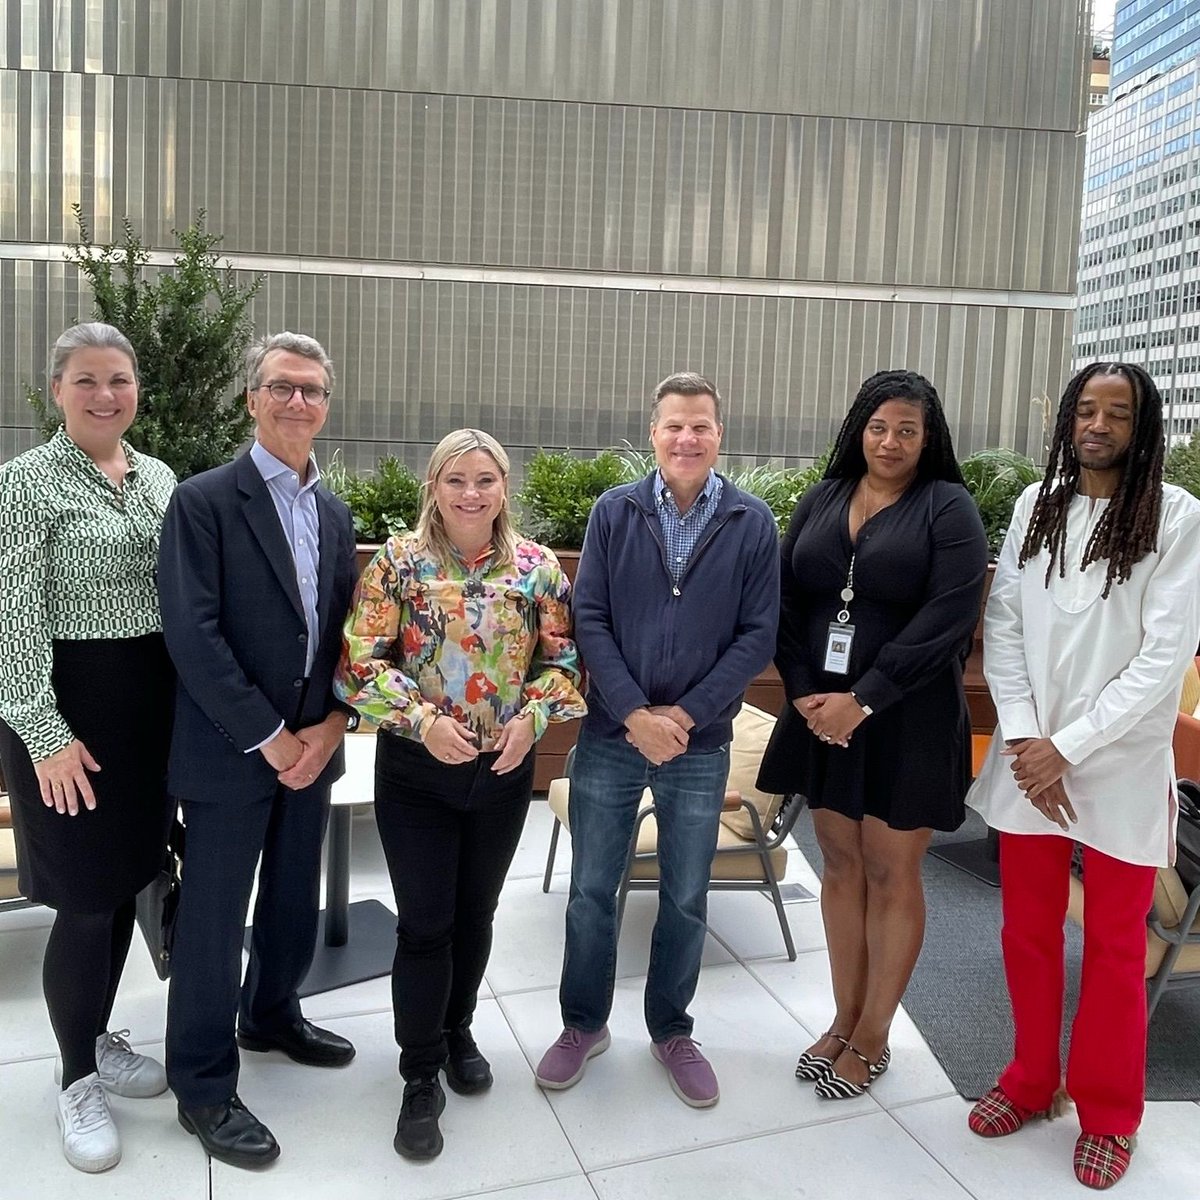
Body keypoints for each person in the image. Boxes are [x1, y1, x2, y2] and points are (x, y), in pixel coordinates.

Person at [965, 362, 1200, 1190]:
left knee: (1111, 947)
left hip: (1119, 769)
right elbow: (1006, 626)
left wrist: (1070, 746)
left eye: (1119, 412)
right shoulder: (1037, 507)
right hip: (1033, 769)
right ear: (1068, 420)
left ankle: (1108, 1111)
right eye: (1086, 410)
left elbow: (1163, 658)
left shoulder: (1177, 518)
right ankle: (1031, 1079)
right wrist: (1030, 742)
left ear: (1143, 426)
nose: (1099, 424)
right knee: (1025, 932)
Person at [534, 371, 780, 1109]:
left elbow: (757, 634)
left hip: (699, 748)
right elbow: (592, 621)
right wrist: (638, 712)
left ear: (718, 435)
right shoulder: (616, 513)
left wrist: (688, 717)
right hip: (613, 735)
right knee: (590, 892)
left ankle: (672, 1030)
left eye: (700, 425)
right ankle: (583, 1024)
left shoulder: (751, 521)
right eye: (674, 425)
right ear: (653, 433)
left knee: (684, 895)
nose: (687, 438)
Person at [338, 428, 585, 1160]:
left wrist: (532, 721)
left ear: (504, 486)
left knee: (477, 913)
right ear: (434, 489)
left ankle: (458, 1029)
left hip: (503, 775)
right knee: (425, 925)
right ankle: (419, 1074)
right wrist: (419, 718)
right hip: (417, 775)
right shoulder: (399, 564)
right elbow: (357, 667)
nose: (470, 494)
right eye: (455, 481)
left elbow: (565, 666)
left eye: (485, 479)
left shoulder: (538, 570)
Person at [157, 331, 359, 1169]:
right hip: (231, 750)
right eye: (282, 387)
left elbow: (356, 633)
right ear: (253, 398)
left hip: (313, 749)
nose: (298, 403)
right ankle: (202, 1084)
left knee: (287, 900)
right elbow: (193, 636)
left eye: (312, 390)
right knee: (211, 921)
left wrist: (334, 724)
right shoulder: (204, 502)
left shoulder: (336, 511)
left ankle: (271, 1013)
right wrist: (273, 738)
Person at [757, 369, 988, 1100]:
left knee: (891, 872)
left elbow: (948, 619)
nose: (890, 442)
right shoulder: (824, 498)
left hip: (907, 721)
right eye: (879, 426)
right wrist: (805, 696)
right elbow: (788, 601)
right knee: (840, 867)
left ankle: (876, 1035)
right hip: (822, 714)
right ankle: (843, 1018)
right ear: (860, 428)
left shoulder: (948, 508)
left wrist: (864, 699)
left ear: (929, 440)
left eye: (907, 431)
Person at [0, 323, 177, 1173]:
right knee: (80, 899)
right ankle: (75, 1079)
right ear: (57, 390)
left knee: (119, 888)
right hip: (68, 721)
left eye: (118, 379)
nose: (105, 395)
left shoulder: (159, 477)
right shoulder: (25, 484)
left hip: (144, 720)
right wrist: (45, 734)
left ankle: (99, 1038)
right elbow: (15, 620)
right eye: (85, 381)